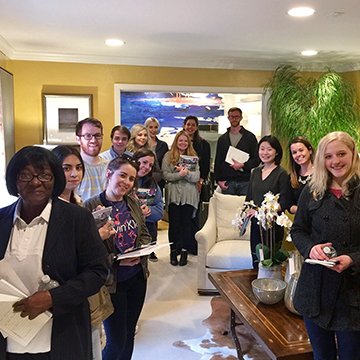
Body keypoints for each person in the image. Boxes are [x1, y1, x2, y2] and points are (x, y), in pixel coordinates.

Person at [0, 146, 108, 359]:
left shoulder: (77, 219)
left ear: (55, 179)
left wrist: (52, 298)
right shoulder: (1, 219)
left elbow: (97, 271)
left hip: (62, 336)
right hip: (8, 336)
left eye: (45, 175)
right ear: (14, 180)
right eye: (25, 175)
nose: (35, 182)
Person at [291, 131, 360, 360]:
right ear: (321, 158)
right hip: (315, 289)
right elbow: (298, 230)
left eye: (341, 153)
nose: (335, 161)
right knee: (322, 357)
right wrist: (311, 248)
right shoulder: (312, 190)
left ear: (353, 154)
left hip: (353, 292)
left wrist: (353, 259)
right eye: (329, 156)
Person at [84, 155, 152, 360]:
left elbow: (144, 234)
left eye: (131, 179)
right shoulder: (91, 206)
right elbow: (86, 252)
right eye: (122, 175)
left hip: (137, 277)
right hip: (112, 282)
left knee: (129, 334)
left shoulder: (132, 202)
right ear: (109, 174)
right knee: (116, 342)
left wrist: (142, 250)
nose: (127, 183)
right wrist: (117, 258)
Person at [52, 145, 114, 360]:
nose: (74, 174)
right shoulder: (52, 207)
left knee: (93, 344)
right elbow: (63, 250)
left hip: (89, 287)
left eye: (78, 167)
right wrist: (98, 237)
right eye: (66, 168)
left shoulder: (77, 200)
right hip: (70, 287)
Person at [246, 135, 289, 268]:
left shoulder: (282, 174)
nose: (265, 153)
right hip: (256, 225)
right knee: (256, 260)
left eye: (269, 149)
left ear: (276, 152)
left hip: (273, 226)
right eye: (262, 149)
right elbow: (249, 199)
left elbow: (285, 202)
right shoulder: (254, 172)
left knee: (271, 264)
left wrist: (262, 211)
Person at [162, 130, 200, 266]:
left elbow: (196, 177)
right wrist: (179, 175)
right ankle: (173, 251)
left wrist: (186, 173)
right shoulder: (168, 156)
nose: (183, 143)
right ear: (176, 141)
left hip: (189, 196)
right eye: (180, 140)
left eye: (185, 141)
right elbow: (165, 175)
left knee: (187, 225)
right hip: (173, 196)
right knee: (174, 225)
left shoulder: (193, 157)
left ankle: (184, 251)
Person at [214, 107, 259, 195]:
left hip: (244, 181)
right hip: (227, 181)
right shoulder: (223, 139)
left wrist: (243, 165)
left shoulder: (250, 138)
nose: (234, 119)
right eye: (231, 117)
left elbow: (256, 159)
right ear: (228, 118)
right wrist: (218, 180)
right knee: (227, 208)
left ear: (241, 118)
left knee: (243, 207)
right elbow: (218, 160)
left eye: (236, 117)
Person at [183, 115, 211, 254]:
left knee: (195, 215)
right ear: (184, 126)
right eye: (188, 124)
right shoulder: (180, 143)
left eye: (193, 125)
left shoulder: (203, 144)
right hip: (182, 185)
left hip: (196, 184)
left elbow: (205, 166)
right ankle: (183, 245)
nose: (190, 127)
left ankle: (194, 246)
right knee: (184, 216)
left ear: (197, 127)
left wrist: (200, 181)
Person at [133, 148, 164, 262]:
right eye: (144, 162)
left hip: (147, 230)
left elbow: (159, 212)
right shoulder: (124, 181)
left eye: (150, 165)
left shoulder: (153, 185)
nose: (147, 167)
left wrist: (148, 211)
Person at [75, 117, 109, 201]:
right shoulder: (73, 169)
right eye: (88, 136)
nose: (93, 140)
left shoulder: (110, 166)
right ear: (78, 139)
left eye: (97, 135)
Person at [288, 136, 314, 214]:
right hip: (301, 222)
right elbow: (289, 205)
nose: (298, 154)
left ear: (310, 150)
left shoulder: (322, 174)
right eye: (294, 152)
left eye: (301, 150)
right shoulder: (291, 177)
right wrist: (303, 210)